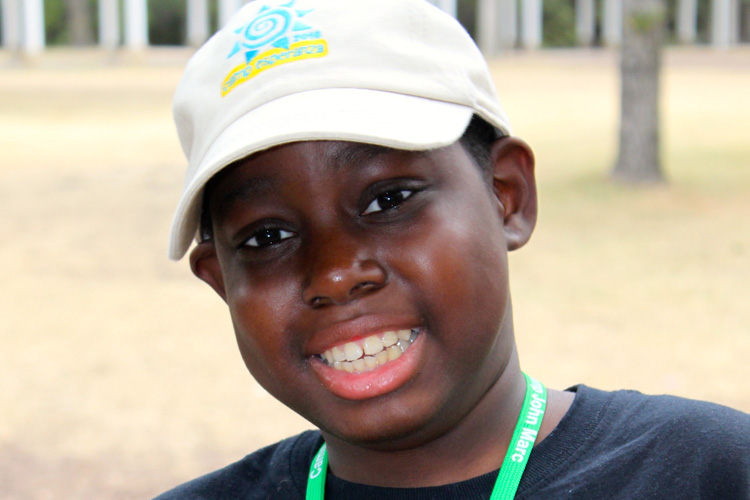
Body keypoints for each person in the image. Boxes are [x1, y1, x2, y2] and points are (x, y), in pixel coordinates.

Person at [156, 0, 750, 498]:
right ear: (221, 282)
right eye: (267, 238)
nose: (336, 274)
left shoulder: (708, 471)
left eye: (388, 200)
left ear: (507, 196)